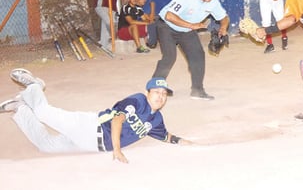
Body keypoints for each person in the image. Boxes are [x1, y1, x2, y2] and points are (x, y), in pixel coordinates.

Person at [0, 68, 191, 163]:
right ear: (149, 92)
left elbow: (167, 137)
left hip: (92, 145)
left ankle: (21, 110)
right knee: (43, 112)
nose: (161, 96)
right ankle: (35, 86)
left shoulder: (156, 120)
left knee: (45, 146)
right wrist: (117, 149)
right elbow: (117, 120)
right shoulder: (138, 100)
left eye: (164, 94)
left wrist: (193, 144)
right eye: (157, 92)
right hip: (89, 126)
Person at [152, 0, 229, 100]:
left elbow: (224, 17)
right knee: (169, 57)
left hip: (186, 30)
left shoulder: (213, 1)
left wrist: (223, 27)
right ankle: (155, 87)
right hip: (167, 26)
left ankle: (197, 90)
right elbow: (169, 16)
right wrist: (192, 25)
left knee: (197, 55)